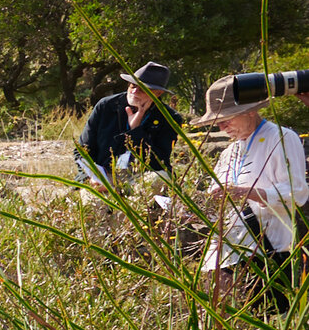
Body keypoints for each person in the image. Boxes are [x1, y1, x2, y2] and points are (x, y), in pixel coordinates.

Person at [196, 75, 308, 309]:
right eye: (218, 122)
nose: (221, 127)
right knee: (229, 322)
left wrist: (248, 192)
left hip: (267, 251)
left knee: (262, 323)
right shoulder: (230, 151)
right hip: (226, 250)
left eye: (226, 120)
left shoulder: (282, 138)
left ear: (250, 111)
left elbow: (297, 192)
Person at [78, 60, 179, 181]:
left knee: (162, 178)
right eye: (133, 86)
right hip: (102, 176)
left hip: (140, 179)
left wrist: (135, 131)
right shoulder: (106, 106)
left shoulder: (169, 117)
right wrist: (94, 177)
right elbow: (82, 150)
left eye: (142, 89)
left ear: (158, 93)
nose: (134, 91)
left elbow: (159, 162)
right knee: (94, 199)